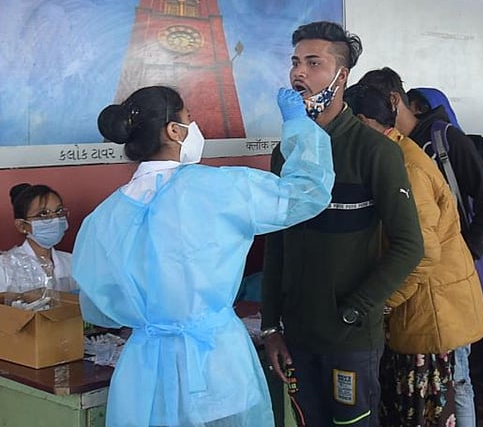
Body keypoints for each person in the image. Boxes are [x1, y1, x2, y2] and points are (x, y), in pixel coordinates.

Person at [71, 85, 334, 427]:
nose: (194, 127)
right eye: (189, 119)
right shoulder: (218, 189)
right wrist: (299, 127)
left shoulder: (104, 217)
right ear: (173, 131)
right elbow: (306, 194)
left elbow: (97, 309)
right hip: (215, 361)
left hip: (144, 372)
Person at [261, 23, 424, 427]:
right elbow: (277, 242)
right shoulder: (287, 153)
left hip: (349, 339)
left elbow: (409, 246)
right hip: (297, 335)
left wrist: (355, 310)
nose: (299, 74)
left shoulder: (375, 151)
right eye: (296, 62)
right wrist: (270, 327)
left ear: (342, 75)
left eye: (313, 64)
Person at [358, 67, 483, 427]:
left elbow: (421, 251)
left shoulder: (409, 165)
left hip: (432, 304)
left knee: (444, 398)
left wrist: (381, 303)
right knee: (446, 396)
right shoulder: (394, 154)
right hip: (429, 299)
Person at [407, 87, 483, 427]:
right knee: (459, 370)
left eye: (418, 108)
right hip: (447, 282)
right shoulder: (409, 154)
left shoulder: (480, 148)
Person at [1, 184, 73, 293]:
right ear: (22, 225)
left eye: (59, 212)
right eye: (44, 214)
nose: (55, 219)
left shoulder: (72, 261)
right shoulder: (5, 266)